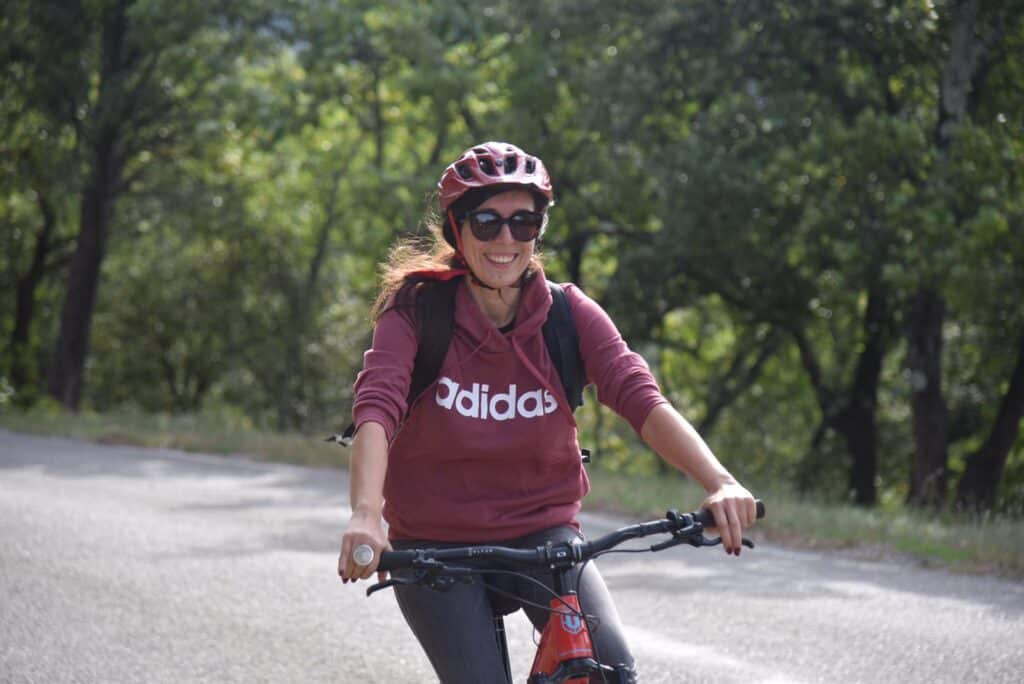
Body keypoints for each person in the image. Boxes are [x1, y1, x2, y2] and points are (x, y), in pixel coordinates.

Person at [338, 141, 757, 682]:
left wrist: (718, 480)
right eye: (486, 222)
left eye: (524, 223)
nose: (506, 239)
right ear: (456, 228)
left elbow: (639, 396)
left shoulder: (567, 314)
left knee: (607, 669)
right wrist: (366, 514)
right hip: (434, 543)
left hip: (542, 536)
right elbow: (378, 407)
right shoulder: (419, 311)